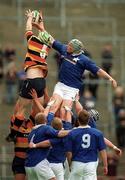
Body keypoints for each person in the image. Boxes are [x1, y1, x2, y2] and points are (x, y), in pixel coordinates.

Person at [34, 10, 117, 125]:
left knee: (64, 111)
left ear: (75, 49)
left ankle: (65, 131)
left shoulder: (84, 60)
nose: (67, 46)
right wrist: (41, 26)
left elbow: (98, 70)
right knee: (53, 106)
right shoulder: (64, 49)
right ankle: (48, 128)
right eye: (68, 45)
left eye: (70, 46)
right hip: (61, 85)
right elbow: (49, 39)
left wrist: (110, 78)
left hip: (72, 89)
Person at [6, 9, 51, 141]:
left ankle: (13, 134)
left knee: (20, 109)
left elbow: (28, 29)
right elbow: (45, 34)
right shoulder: (47, 46)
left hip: (31, 80)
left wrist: (30, 18)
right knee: (36, 111)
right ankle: (33, 132)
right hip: (42, 82)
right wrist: (41, 24)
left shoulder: (32, 41)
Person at [25, 112, 70, 180]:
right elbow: (57, 134)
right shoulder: (45, 128)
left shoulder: (32, 131)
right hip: (39, 162)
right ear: (45, 121)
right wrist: (73, 131)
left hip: (28, 165)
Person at [66, 109, 108, 180]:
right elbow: (103, 151)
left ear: (78, 120)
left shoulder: (72, 133)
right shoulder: (97, 133)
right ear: (89, 120)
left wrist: (70, 165)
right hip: (91, 164)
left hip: (77, 163)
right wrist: (105, 165)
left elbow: (69, 153)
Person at [12, 114, 35, 180]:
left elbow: (35, 113)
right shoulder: (15, 128)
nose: (24, 119)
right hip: (19, 160)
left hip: (31, 158)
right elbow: (17, 113)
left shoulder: (32, 126)